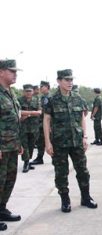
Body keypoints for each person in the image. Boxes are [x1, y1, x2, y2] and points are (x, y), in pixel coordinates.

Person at [43, 69, 97, 213]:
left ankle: (86, 197)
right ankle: (65, 200)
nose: (70, 82)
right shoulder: (52, 100)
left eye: (71, 80)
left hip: (77, 141)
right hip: (59, 143)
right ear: (59, 81)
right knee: (61, 172)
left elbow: (82, 118)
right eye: (66, 80)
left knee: (83, 171)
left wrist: (85, 137)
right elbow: (46, 120)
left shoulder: (78, 98)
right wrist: (47, 143)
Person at [0, 59, 23, 231]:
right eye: (11, 71)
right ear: (1, 72)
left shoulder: (11, 93)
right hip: (1, 147)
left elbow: (15, 119)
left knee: (9, 179)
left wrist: (19, 142)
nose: (15, 74)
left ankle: (1, 209)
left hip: (12, 146)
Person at [18, 84, 41, 172]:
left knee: (31, 145)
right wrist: (32, 112)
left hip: (34, 127)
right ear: (24, 92)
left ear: (33, 91)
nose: (28, 93)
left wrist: (27, 114)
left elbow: (39, 112)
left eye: (30, 91)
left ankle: (28, 160)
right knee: (25, 145)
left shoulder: (37, 99)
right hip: (23, 127)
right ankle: (26, 163)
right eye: (26, 91)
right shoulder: (19, 100)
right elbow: (18, 112)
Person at [31, 80, 51, 165]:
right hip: (41, 123)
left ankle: (56, 158)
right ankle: (40, 157)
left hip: (48, 124)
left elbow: (51, 114)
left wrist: (50, 126)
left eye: (42, 86)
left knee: (52, 141)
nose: (40, 88)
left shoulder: (50, 97)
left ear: (47, 87)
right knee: (40, 141)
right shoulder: (42, 97)